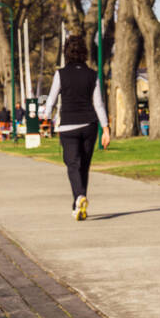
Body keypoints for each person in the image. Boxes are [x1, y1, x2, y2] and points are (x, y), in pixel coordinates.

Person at [41, 37, 110, 220]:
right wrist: (106, 128)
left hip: (68, 126)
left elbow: (52, 99)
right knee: (84, 167)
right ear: (84, 53)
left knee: (73, 164)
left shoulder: (61, 74)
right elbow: (99, 104)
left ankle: (79, 197)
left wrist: (46, 119)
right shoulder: (92, 74)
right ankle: (79, 203)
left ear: (66, 53)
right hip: (89, 125)